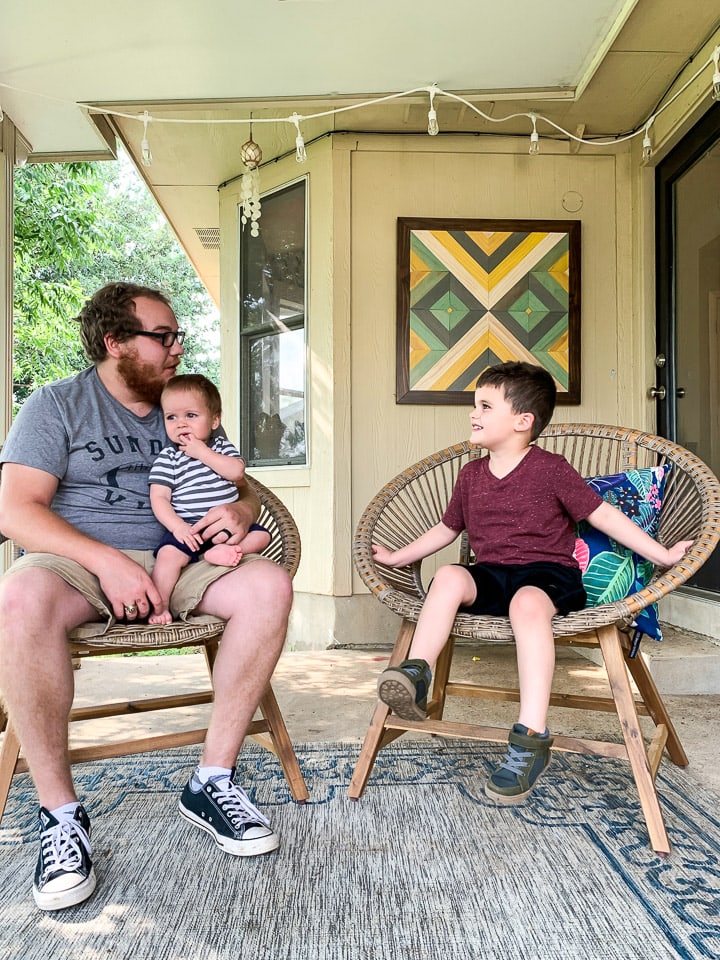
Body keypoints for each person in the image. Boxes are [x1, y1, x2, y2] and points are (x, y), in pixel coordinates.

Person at [0, 282, 293, 912]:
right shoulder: (56, 406)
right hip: (78, 559)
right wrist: (105, 561)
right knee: (18, 600)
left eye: (177, 336)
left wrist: (241, 511)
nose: (177, 348)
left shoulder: (184, 405)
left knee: (269, 585)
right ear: (115, 343)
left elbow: (236, 481)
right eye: (163, 336)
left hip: (182, 555)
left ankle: (212, 780)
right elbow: (13, 510)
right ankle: (60, 815)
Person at [373, 361, 692, 806]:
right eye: (474, 405)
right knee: (447, 575)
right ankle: (416, 674)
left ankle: (530, 739)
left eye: (485, 405)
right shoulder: (470, 475)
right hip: (491, 575)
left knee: (526, 604)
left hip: (547, 576)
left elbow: (603, 516)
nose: (473, 413)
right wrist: (397, 556)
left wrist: (661, 555)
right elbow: (445, 531)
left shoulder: (552, 469)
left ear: (523, 422)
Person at [149, 373, 271, 625]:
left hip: (226, 529)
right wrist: (178, 527)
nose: (181, 424)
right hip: (190, 527)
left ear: (214, 420)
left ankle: (226, 551)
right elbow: (159, 498)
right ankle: (160, 607)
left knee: (262, 536)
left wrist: (202, 452)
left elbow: (236, 472)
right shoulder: (169, 458)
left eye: (191, 416)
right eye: (172, 417)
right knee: (168, 558)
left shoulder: (221, 448)